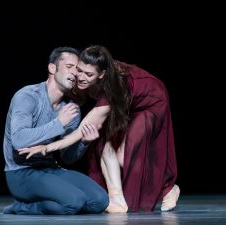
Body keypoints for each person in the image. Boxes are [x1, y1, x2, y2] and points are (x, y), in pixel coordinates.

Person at [18, 45, 180, 213]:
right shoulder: (90, 75)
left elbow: (82, 130)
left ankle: (168, 188)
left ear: (101, 74)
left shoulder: (111, 89)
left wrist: (47, 147)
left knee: (124, 157)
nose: (80, 77)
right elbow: (76, 96)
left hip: (150, 103)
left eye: (88, 75)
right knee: (105, 149)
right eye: (79, 70)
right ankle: (116, 199)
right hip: (124, 104)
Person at [2, 46, 109, 215]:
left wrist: (83, 142)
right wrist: (58, 123)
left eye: (78, 69)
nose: (75, 73)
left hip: (50, 169)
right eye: (69, 67)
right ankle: (23, 207)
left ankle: (57, 201)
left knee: (100, 201)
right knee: (74, 201)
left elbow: (68, 157)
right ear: (52, 68)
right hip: (21, 172)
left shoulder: (70, 109)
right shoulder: (27, 96)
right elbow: (19, 140)